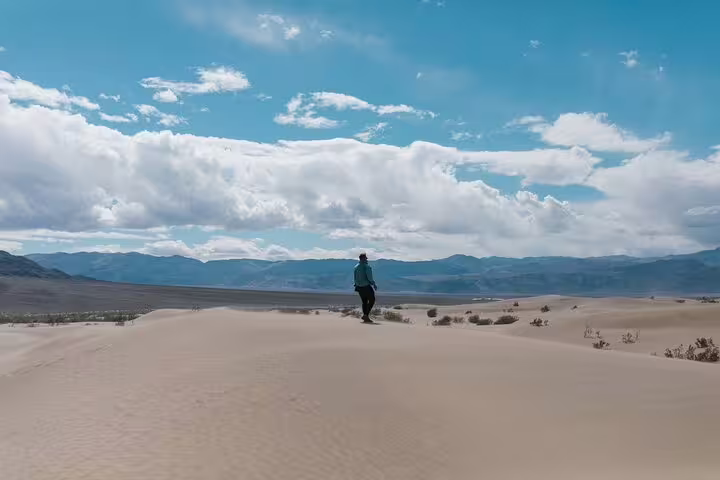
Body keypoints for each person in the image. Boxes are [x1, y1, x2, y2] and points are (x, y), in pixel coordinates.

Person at [354, 253, 377, 323]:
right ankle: (366, 315)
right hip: (366, 286)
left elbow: (355, 277)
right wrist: (374, 284)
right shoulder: (366, 267)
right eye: (366, 258)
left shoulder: (356, 267)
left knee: (364, 301)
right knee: (372, 300)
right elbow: (369, 277)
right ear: (363, 258)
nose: (367, 259)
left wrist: (356, 285)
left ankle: (365, 316)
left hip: (359, 287)